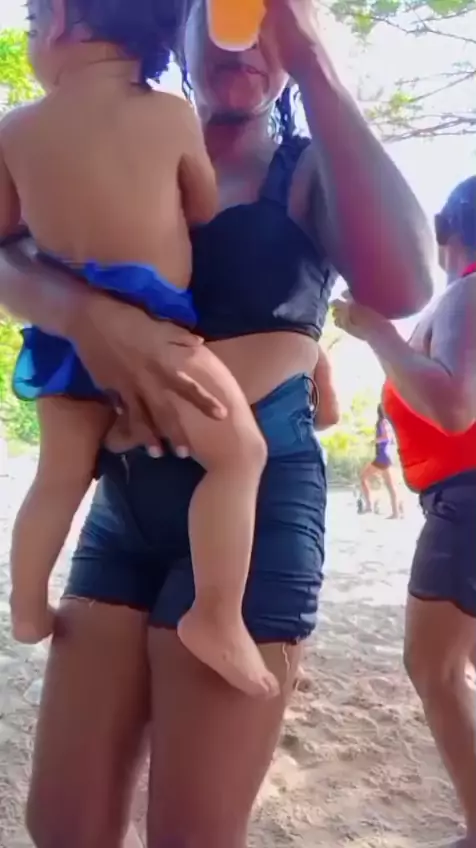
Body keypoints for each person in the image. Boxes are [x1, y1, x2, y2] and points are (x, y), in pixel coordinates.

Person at [0, 0, 433, 843]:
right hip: (123, 505)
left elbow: (406, 283)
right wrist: (86, 314)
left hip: (254, 515)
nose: (251, 40)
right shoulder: (112, 132)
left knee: (192, 833)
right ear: (184, 23)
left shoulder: (307, 166)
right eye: (232, 14)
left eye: (274, 20)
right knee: (61, 823)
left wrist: (315, 60)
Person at [3, 0, 281, 699]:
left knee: (60, 475)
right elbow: (203, 206)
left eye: (31, 26)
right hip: (159, 335)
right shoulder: (170, 116)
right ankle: (215, 615)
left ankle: (28, 605)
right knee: (239, 455)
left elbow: (7, 232)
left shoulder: (14, 129)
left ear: (59, 21)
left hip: (62, 338)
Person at [332, 176, 476, 847]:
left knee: (434, 666)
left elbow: (453, 407)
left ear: (444, 229)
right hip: (457, 499)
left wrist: (378, 333)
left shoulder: (468, 292)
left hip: (467, 501)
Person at [358, 404, 399, 518]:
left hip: (382, 456)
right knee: (390, 485)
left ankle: (370, 506)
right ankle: (396, 512)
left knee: (363, 477)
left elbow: (386, 437)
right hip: (386, 455)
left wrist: (375, 441)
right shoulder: (388, 423)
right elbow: (391, 439)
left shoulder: (382, 422)